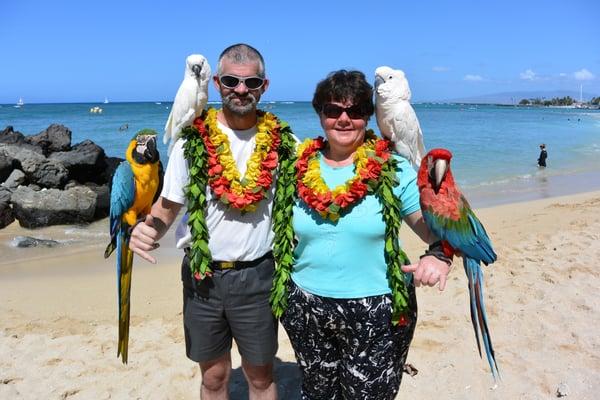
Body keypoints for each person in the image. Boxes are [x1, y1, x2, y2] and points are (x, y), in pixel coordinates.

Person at [129, 43, 297, 400]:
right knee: (214, 378)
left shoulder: (285, 142)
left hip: (260, 276)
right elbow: (168, 205)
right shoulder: (190, 142)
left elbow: (320, 187)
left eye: (251, 82)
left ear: (264, 87)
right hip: (202, 277)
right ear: (217, 83)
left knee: (261, 378)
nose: (241, 89)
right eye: (232, 81)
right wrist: (145, 231)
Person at [276, 70, 452, 399]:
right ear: (319, 114)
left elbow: (435, 230)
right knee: (317, 394)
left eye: (355, 111)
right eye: (333, 110)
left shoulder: (394, 169)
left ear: (368, 117)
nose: (344, 119)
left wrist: (439, 256)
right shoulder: (295, 168)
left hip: (378, 310)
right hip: (306, 306)